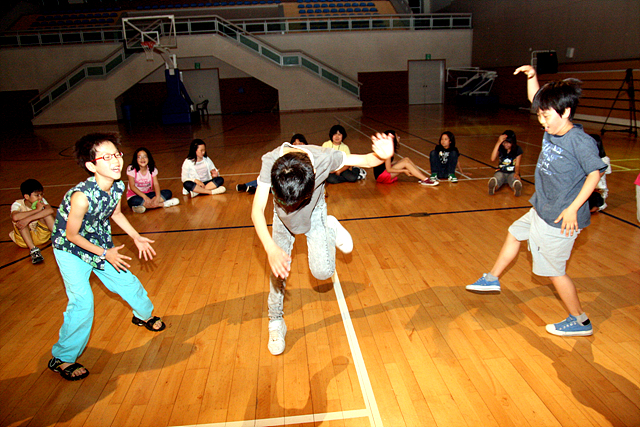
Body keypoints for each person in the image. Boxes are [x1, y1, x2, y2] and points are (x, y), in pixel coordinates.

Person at [466, 65, 607, 337]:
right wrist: (532, 77)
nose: (542, 121)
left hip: (559, 219)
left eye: (546, 116)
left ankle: (580, 321)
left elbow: (595, 174)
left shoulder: (580, 141)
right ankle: (492, 278)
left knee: (555, 272)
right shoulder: (553, 128)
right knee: (514, 233)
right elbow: (536, 99)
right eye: (540, 115)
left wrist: (573, 209)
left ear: (565, 112)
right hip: (543, 208)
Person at [252, 133, 394, 355]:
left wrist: (383, 156)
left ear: (314, 177)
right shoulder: (270, 161)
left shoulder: (323, 159)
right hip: (281, 219)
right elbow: (257, 210)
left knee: (322, 272)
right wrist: (271, 249)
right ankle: (276, 321)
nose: (291, 207)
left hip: (314, 213)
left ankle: (330, 227)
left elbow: (366, 160)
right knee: (278, 272)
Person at [49, 132, 165, 381]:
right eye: (106, 157)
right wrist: (105, 253)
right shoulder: (81, 197)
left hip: (100, 243)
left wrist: (136, 237)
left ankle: (143, 316)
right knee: (82, 302)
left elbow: (116, 214)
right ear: (91, 166)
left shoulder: (118, 186)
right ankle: (63, 357)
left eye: (116, 154)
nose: (115, 161)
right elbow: (71, 235)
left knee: (128, 282)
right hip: (70, 249)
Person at [237, 134, 308, 195]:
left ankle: (255, 189)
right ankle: (246, 185)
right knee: (269, 177)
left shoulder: (308, 155)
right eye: (295, 143)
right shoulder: (287, 153)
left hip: (296, 180)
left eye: (300, 143)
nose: (297, 145)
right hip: (286, 175)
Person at [9, 178, 56, 264]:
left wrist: (28, 219)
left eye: (41, 194)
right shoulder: (17, 204)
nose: (40, 197)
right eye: (37, 195)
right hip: (23, 241)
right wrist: (37, 210)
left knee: (47, 214)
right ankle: (33, 250)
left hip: (41, 236)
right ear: (26, 196)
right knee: (20, 221)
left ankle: (59, 238)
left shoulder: (41, 201)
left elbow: (50, 210)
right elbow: (15, 217)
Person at [372, 130, 438, 186]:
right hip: (381, 176)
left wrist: (399, 163)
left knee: (406, 159)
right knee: (405, 163)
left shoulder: (386, 149)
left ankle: (422, 177)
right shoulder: (386, 150)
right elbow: (389, 169)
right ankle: (425, 180)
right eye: (397, 137)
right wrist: (403, 170)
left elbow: (385, 164)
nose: (399, 138)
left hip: (382, 173)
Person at [126, 147, 179, 213]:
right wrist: (145, 197)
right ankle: (163, 204)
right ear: (136, 159)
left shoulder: (152, 169)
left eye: (145, 156)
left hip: (148, 194)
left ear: (149, 158)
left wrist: (157, 197)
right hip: (135, 196)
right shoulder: (131, 169)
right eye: (139, 157)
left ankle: (142, 206)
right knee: (134, 201)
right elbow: (132, 186)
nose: (142, 159)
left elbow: (156, 184)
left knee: (168, 193)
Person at [488, 130, 524, 196]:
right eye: (504, 142)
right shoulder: (501, 148)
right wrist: (498, 142)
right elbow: (492, 159)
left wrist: (517, 173)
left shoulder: (518, 149)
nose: (505, 144)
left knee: (513, 179)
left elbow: (517, 165)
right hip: (501, 171)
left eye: (508, 143)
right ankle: (493, 186)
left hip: (512, 172)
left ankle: (516, 187)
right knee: (498, 178)